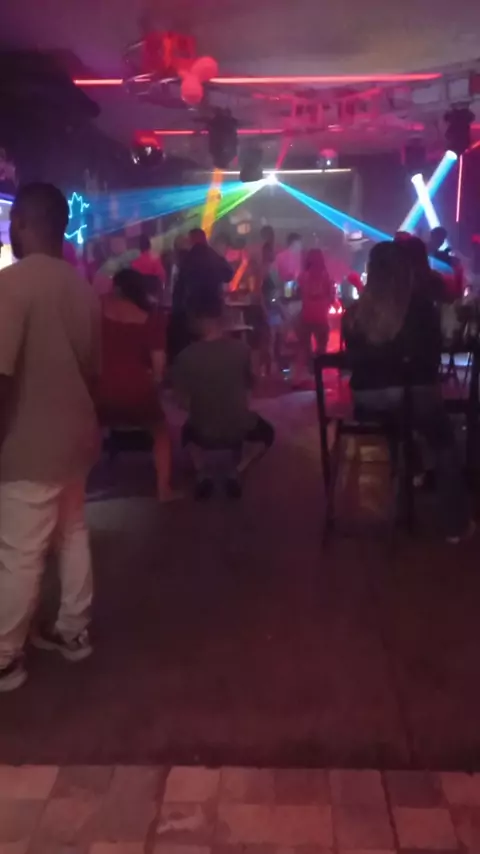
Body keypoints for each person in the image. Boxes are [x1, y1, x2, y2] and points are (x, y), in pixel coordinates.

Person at [0, 183, 101, 692]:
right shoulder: (83, 290)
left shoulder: (10, 286)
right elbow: (92, 373)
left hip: (28, 440)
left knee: (20, 550)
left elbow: (1, 376)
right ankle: (72, 631)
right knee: (72, 532)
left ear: (21, 222)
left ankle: (4, 656)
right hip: (76, 437)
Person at [343, 240, 472, 543]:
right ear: (406, 271)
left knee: (399, 418)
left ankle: (409, 473)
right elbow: (430, 362)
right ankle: (455, 524)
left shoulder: (355, 314)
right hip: (412, 395)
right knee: (443, 437)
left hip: (366, 401)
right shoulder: (420, 309)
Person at [173, 297, 274, 499]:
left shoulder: (184, 356)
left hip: (202, 428)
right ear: (221, 319)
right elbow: (253, 384)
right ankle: (237, 470)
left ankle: (202, 472)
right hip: (239, 425)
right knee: (267, 434)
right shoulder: (242, 350)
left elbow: (181, 402)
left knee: (186, 433)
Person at [96, 268, 178, 504]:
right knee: (160, 433)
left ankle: (79, 487)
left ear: (117, 288)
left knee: (90, 430)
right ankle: (163, 489)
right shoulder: (151, 319)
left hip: (101, 388)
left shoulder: (98, 310)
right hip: (137, 389)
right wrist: (155, 384)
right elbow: (159, 366)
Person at [169, 228, 233, 359]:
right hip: (214, 305)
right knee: (213, 341)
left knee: (196, 341)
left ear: (192, 240)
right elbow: (229, 274)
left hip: (195, 308)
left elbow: (181, 285)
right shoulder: (213, 255)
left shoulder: (188, 257)